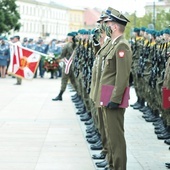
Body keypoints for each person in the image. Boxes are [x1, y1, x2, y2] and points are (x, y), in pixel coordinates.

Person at [97, 8, 132, 170]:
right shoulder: (114, 44)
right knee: (110, 135)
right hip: (107, 94)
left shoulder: (122, 45)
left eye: (109, 24)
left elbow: (122, 76)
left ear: (115, 27)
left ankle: (119, 167)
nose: (106, 26)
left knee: (116, 137)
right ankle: (112, 165)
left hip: (113, 97)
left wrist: (115, 99)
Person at [52, 32, 77, 101]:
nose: (68, 38)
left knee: (64, 80)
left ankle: (60, 95)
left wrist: (56, 58)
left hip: (68, 66)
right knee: (74, 81)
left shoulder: (67, 45)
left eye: (69, 37)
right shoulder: (77, 45)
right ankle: (79, 96)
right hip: (74, 65)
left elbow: (62, 55)